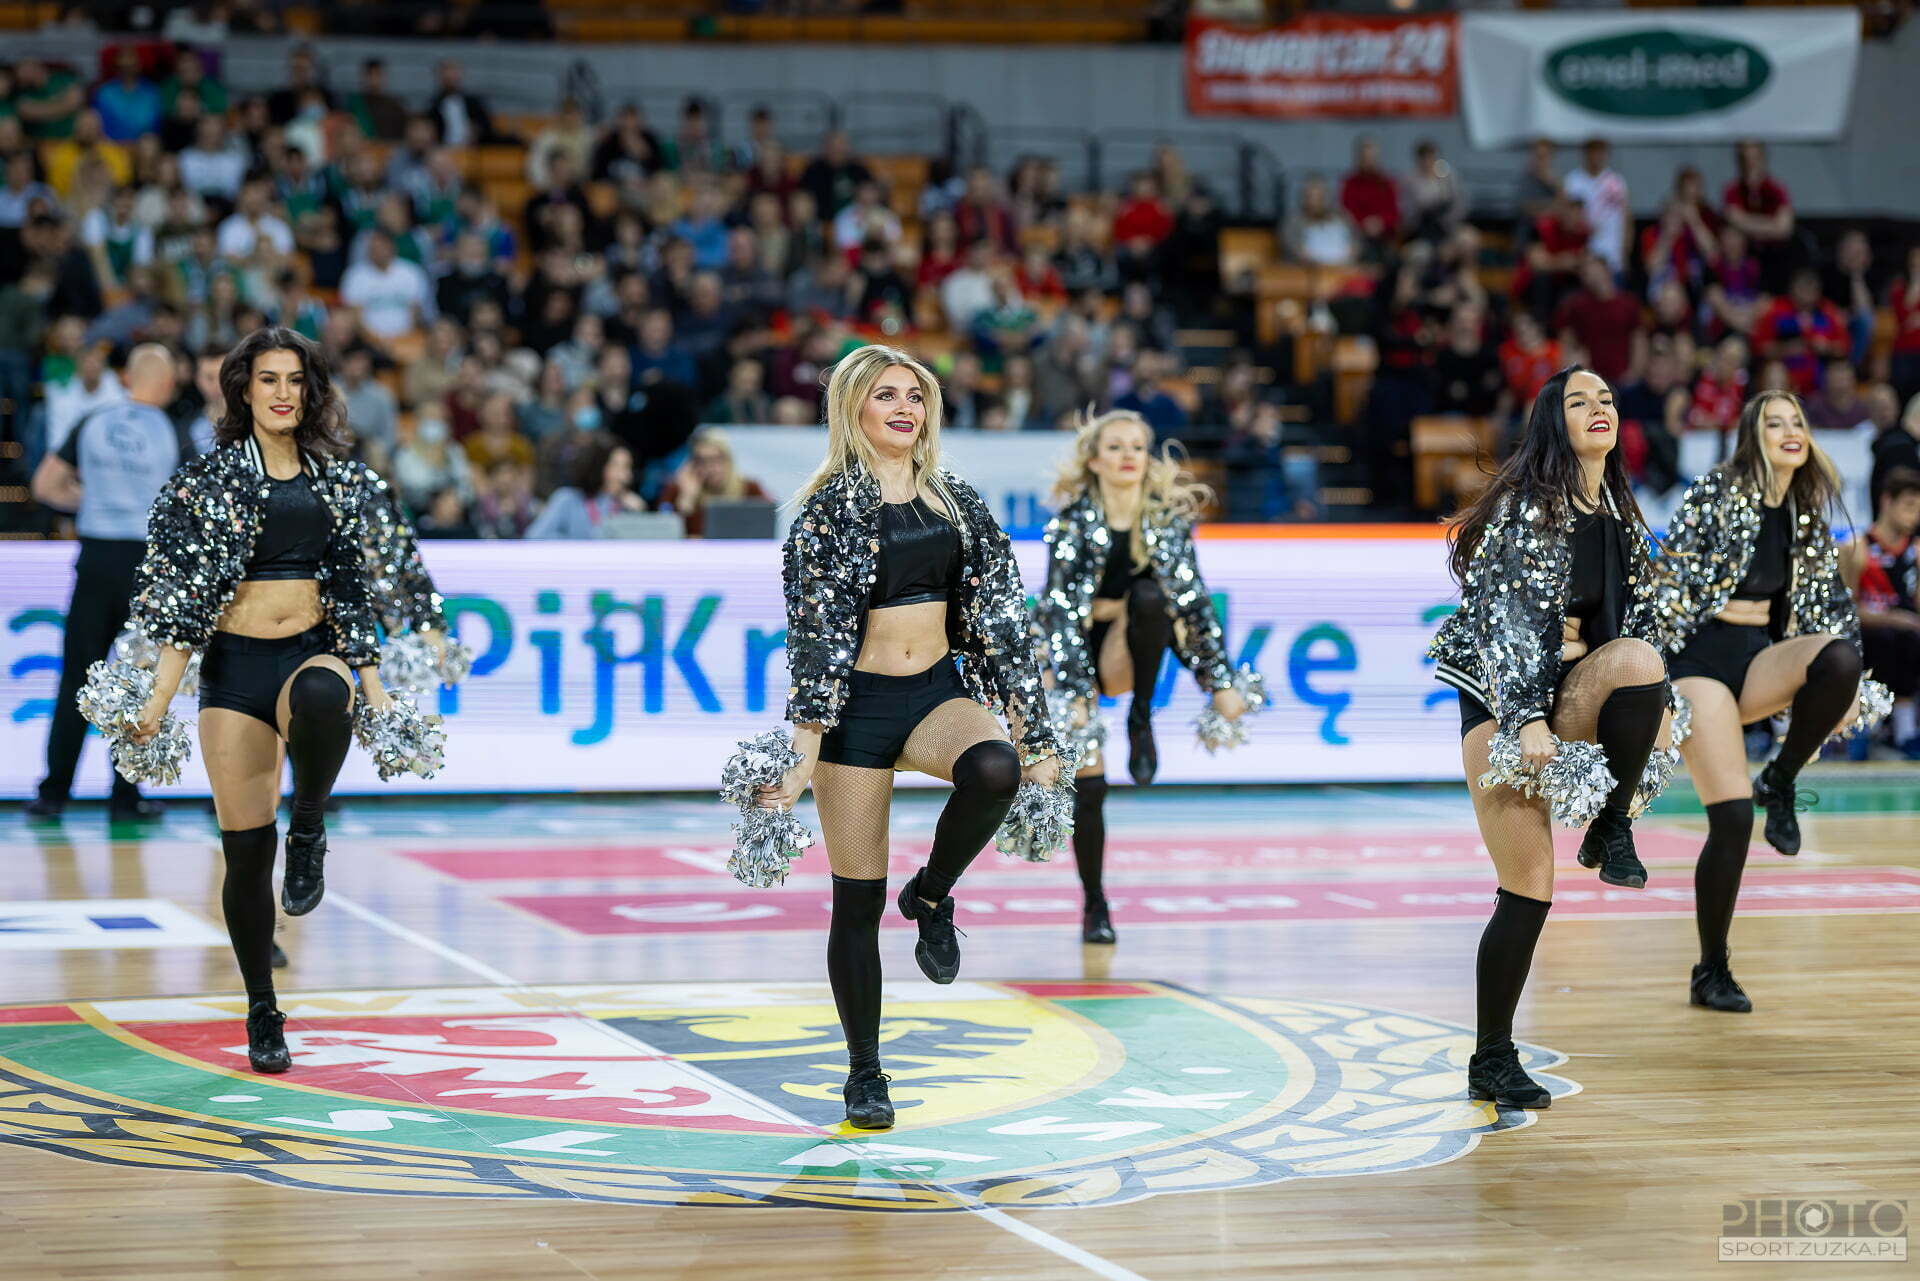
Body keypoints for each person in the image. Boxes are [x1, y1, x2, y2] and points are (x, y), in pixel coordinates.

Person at [752, 344, 1064, 1131]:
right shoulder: (825, 511)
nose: (904, 408)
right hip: (855, 712)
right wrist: (801, 758)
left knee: (994, 768)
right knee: (854, 902)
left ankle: (930, 894)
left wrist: (1036, 736)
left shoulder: (958, 499)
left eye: (915, 396)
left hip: (934, 693)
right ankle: (865, 1071)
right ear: (852, 408)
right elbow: (815, 642)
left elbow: (1003, 623)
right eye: (886, 394)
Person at [117, 327, 411, 1074]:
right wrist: (158, 699)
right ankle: (261, 1008)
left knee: (322, 694)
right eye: (269, 379)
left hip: (309, 648)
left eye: (295, 379)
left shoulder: (334, 477)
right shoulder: (206, 478)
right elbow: (183, 601)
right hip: (233, 670)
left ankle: (308, 825)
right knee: (247, 855)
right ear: (243, 390)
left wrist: (375, 688)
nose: (283, 392)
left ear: (310, 392)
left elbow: (352, 589)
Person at [1428, 367, 1678, 1108]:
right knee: (1529, 885)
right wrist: (1525, 716)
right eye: (1578, 401)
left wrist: (1662, 711)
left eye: (1607, 398)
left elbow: (1638, 629)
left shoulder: (1621, 514)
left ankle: (1610, 827)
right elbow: (1506, 623)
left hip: (1575, 691)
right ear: (1552, 423)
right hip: (1503, 704)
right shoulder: (1524, 510)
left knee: (1644, 664)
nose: (1598, 408)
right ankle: (1491, 1058)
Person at [1656, 391, 1882, 1013]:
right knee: (1732, 820)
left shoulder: (1805, 509)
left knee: (1840, 659)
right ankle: (1711, 969)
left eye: (1797, 421)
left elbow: (1829, 609)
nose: (1790, 431)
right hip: (1698, 661)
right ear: (1752, 436)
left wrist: (1849, 693)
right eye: (1774, 422)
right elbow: (1669, 578)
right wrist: (1649, 678)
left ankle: (1779, 780)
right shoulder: (1716, 490)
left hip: (1758, 656)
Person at [1035, 410, 1253, 942]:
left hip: (1132, 649)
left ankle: (1140, 720)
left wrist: (1220, 681)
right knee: (1089, 783)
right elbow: (1061, 614)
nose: (1128, 455)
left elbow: (1193, 605)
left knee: (1153, 597)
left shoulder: (1167, 521)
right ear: (1094, 460)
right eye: (1115, 447)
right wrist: (1074, 693)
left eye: (1137, 446)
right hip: (1072, 655)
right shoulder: (1073, 521)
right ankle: (1095, 904)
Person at [25, 346, 186, 822]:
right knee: (139, 684)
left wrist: (93, 500)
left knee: (78, 675)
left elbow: (45, 485)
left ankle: (53, 793)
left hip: (96, 559)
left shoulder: (93, 421)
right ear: (167, 383)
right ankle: (126, 797)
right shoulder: (173, 430)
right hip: (148, 568)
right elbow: (188, 502)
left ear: (128, 378)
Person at [1840, 467, 1920, 757]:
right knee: (1884, 638)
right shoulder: (1856, 548)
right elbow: (1846, 612)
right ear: (1887, 501)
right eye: (1909, 506)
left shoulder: (1916, 552)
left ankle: (1905, 731)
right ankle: (1866, 727)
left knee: (1909, 641)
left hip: (1907, 640)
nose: (1915, 516)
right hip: (1870, 638)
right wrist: (1894, 619)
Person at [657, 429, 772, 538]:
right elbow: (665, 533)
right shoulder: (677, 490)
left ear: (728, 460)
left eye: (716, 459)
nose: (710, 467)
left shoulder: (750, 488)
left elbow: (769, 520)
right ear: (693, 464)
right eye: (702, 460)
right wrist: (686, 499)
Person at [524, 436, 646, 538]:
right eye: (617, 467)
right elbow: (534, 537)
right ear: (598, 466)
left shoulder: (626, 507)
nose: (626, 476)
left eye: (628, 468)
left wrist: (639, 515)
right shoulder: (568, 499)